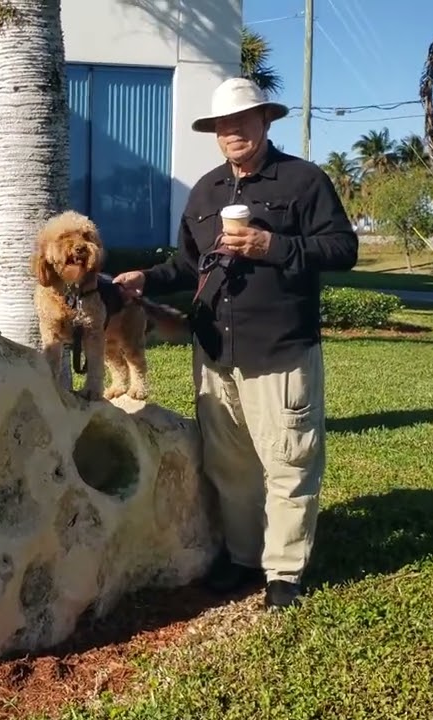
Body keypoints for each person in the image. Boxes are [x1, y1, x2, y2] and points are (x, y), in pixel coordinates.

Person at [113, 77, 359, 611]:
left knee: (289, 462)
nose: (233, 132)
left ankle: (284, 573)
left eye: (243, 121)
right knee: (230, 465)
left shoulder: (304, 181)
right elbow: (187, 263)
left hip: (280, 350)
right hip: (214, 354)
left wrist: (274, 245)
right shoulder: (205, 191)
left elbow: (342, 248)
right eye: (223, 125)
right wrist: (145, 280)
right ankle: (245, 558)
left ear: (266, 120)